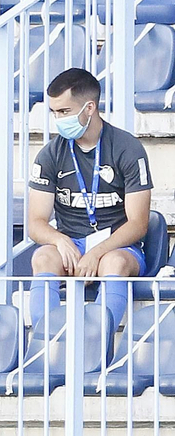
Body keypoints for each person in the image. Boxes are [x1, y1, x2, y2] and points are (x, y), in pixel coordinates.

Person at [26, 68, 153, 336]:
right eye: (54, 112)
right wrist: (60, 240)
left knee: (113, 263)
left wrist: (96, 252)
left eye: (64, 112)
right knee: (43, 256)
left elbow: (138, 224)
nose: (58, 120)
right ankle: (46, 342)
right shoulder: (51, 153)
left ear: (89, 108)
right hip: (71, 242)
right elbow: (36, 223)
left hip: (118, 246)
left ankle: (96, 341)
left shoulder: (127, 148)